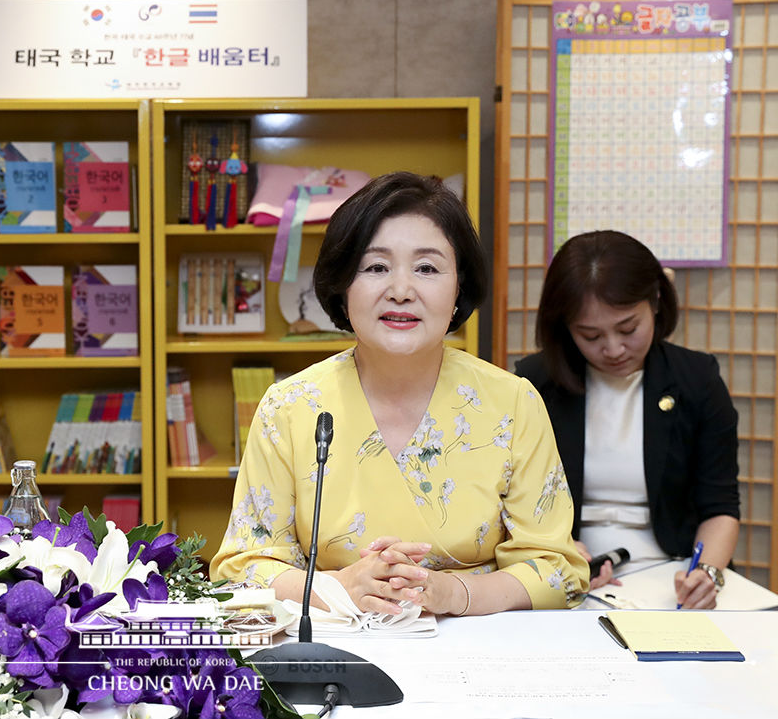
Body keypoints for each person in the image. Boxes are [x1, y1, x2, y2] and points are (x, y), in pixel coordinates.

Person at [211, 171, 588, 616]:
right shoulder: (289, 407)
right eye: (376, 267)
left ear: (458, 289)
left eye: (427, 268)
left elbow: (557, 569)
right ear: (343, 286)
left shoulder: (512, 403)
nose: (402, 291)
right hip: (337, 647)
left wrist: (453, 594)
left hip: (475, 651)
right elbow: (241, 569)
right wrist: (336, 588)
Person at [515, 231, 739, 610]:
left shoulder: (697, 380)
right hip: (567, 576)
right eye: (590, 335)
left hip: (673, 575)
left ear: (654, 301)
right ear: (565, 327)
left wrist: (708, 574)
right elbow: (510, 505)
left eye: (628, 328)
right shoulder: (535, 385)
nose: (614, 349)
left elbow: (720, 506)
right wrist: (556, 549)